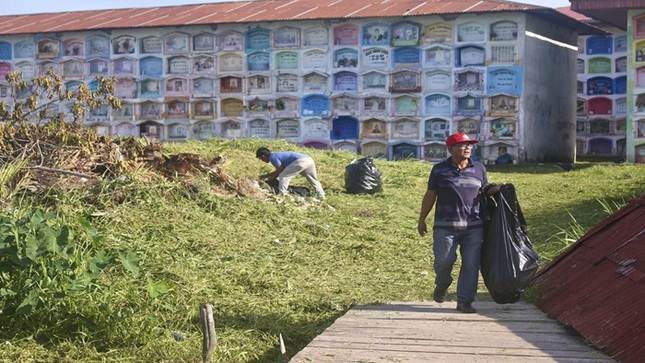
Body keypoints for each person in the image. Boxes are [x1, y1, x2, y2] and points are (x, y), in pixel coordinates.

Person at [417, 132, 502, 314]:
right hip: (445, 227)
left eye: (470, 145)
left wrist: (498, 189)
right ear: (450, 149)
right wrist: (422, 219)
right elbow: (431, 194)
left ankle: (465, 301)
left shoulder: (479, 168)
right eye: (462, 145)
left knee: (471, 264)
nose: (467, 148)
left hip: (473, 227)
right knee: (443, 263)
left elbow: (483, 192)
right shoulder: (439, 170)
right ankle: (443, 284)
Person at [256, 147, 325, 199]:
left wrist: (272, 178)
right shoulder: (276, 155)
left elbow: (280, 170)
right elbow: (280, 169)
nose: (262, 160)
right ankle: (322, 196)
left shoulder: (272, 157)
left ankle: (281, 195)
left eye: (260, 159)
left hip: (300, 161)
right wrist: (268, 175)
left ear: (263, 156)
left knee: (283, 176)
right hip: (309, 159)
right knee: (313, 179)